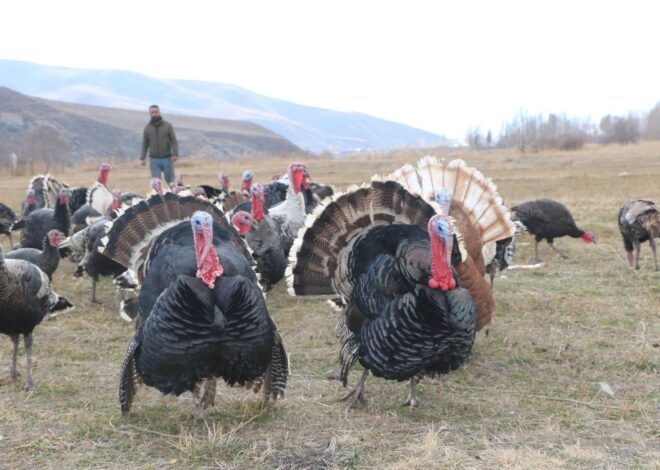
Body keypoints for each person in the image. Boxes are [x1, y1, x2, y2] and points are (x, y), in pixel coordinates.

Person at [139, 105, 179, 186]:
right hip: (154, 160)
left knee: (171, 182)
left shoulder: (167, 126)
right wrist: (142, 158)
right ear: (150, 114)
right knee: (156, 183)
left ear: (159, 113)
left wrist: (175, 154)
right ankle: (159, 198)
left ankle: (174, 197)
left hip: (167, 158)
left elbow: (174, 140)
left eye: (156, 112)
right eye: (152, 112)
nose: (154, 114)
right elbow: (145, 144)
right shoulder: (147, 128)